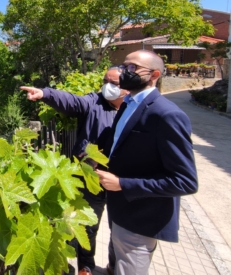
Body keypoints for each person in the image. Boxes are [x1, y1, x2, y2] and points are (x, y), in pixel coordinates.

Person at [96, 50, 198, 275]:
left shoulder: (167, 114)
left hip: (142, 217)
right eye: (124, 66)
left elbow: (185, 182)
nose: (125, 72)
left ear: (154, 75)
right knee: (115, 262)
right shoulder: (127, 104)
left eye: (133, 68)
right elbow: (121, 147)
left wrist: (123, 183)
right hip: (120, 209)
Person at [21, 67, 128, 275]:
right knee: (88, 226)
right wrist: (45, 94)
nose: (108, 86)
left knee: (119, 229)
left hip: (119, 181)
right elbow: (71, 101)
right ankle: (86, 266)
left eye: (114, 84)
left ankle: (114, 266)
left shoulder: (132, 109)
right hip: (91, 178)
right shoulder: (93, 102)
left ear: (126, 87)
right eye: (105, 81)